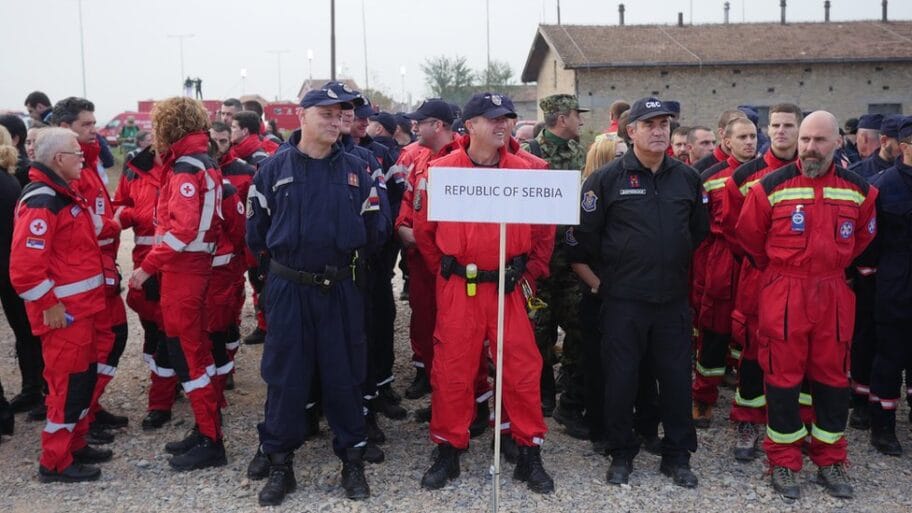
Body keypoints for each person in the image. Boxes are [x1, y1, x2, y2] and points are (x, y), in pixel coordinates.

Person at [245, 86, 390, 505]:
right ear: (302, 115)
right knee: (285, 377)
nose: (336, 120)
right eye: (326, 113)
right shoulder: (272, 170)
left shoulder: (358, 170)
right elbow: (256, 234)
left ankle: (352, 461)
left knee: (345, 375)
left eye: (341, 113)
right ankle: (280, 463)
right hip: (289, 288)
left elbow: (375, 229)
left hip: (340, 288)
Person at [416, 92, 554, 494]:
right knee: (453, 370)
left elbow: (544, 232)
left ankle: (528, 449)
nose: (502, 125)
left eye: (506, 118)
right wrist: (448, 274)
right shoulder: (441, 172)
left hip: (508, 287)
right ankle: (448, 448)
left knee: (521, 369)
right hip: (461, 287)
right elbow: (424, 232)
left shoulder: (528, 172)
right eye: (492, 118)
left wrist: (529, 274)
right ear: (470, 125)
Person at [736, 111, 877, 500]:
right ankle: (783, 460)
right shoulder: (769, 187)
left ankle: (830, 458)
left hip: (832, 291)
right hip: (784, 289)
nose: (810, 148)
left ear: (837, 143)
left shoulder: (860, 190)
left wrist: (828, 267)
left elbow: (862, 238)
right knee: (782, 378)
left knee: (833, 378)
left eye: (819, 140)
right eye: (805, 140)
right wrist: (785, 272)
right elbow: (750, 238)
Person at [573, 97, 709, 488]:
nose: (659, 130)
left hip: (671, 301)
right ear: (630, 131)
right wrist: (604, 283)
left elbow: (697, 231)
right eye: (649, 124)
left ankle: (678, 455)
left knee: (676, 381)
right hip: (624, 301)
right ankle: (621, 452)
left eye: (664, 124)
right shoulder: (606, 180)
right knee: (621, 380)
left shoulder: (687, 178)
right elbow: (584, 240)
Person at [128, 97, 226, 471]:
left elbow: (182, 231)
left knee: (188, 354)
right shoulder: (203, 161)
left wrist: (146, 268)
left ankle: (211, 439)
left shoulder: (186, 167)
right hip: (192, 270)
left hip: (183, 272)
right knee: (196, 351)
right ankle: (206, 428)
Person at [10, 127, 111, 482]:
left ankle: (75, 444)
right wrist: (49, 304)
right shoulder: (43, 200)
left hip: (80, 310)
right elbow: (24, 269)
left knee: (81, 381)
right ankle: (54, 462)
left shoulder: (63, 192)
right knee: (66, 387)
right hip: (64, 315)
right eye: (76, 152)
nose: (82, 157)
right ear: (58, 159)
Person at [721, 103, 802, 462]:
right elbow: (733, 231)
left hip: (802, 283)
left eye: (788, 125)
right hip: (758, 276)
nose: (781, 131)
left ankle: (795, 421)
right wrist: (764, 264)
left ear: (799, 130)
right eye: (775, 125)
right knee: (753, 350)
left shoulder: (813, 171)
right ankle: (747, 420)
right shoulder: (744, 176)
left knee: (800, 350)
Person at [51, 97, 129, 439]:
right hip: (84, 275)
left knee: (111, 338)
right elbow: (85, 224)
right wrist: (118, 222)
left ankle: (90, 410)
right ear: (65, 128)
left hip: (101, 269)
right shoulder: (67, 169)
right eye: (86, 124)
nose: (94, 129)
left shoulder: (90, 160)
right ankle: (83, 416)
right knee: (99, 345)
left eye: (94, 123)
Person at [521, 93, 588, 436]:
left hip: (569, 259)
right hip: (538, 261)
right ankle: (542, 392)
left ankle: (570, 392)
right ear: (562, 118)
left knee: (580, 326)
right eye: (577, 114)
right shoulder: (529, 154)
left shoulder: (579, 151)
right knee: (537, 332)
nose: (581, 121)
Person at [692, 117, 757, 428]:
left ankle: (748, 402)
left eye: (753, 136)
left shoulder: (767, 175)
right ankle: (703, 396)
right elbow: (698, 228)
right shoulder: (709, 177)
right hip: (720, 260)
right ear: (727, 142)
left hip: (754, 262)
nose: (749, 142)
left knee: (752, 333)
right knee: (714, 331)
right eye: (742, 137)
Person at [845, 114, 903, 431]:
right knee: (866, 338)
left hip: (897, 275)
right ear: (885, 141)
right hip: (869, 276)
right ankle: (861, 400)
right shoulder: (860, 176)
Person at [116, 143, 175, 430]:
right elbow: (119, 207)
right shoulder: (134, 169)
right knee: (151, 328)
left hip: (177, 266)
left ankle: (161, 401)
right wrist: (133, 215)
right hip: (145, 265)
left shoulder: (187, 166)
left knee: (169, 333)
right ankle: (164, 380)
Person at [867, 116, 912, 456]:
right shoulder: (882, 186)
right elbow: (869, 244)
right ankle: (882, 429)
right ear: (905, 147)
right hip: (895, 286)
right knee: (888, 360)